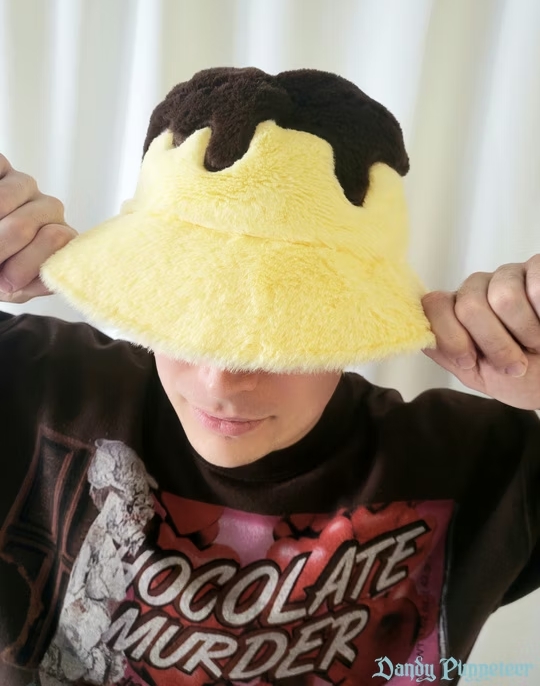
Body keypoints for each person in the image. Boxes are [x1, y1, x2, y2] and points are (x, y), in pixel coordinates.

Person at [0, 67, 539, 686]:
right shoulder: (34, 386)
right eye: (189, 308)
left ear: (349, 318)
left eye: (283, 325)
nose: (222, 379)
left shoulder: (469, 464)